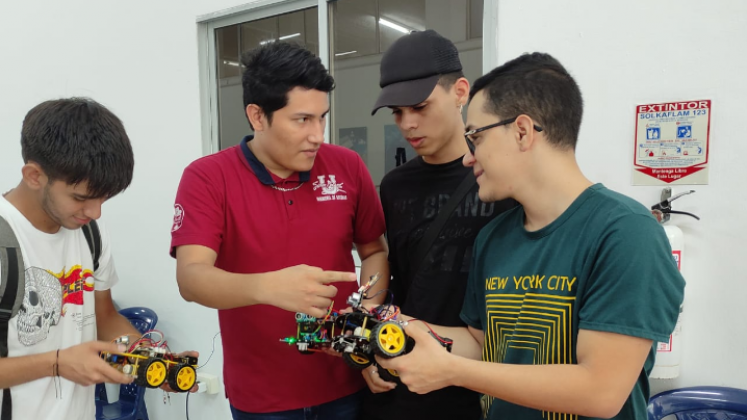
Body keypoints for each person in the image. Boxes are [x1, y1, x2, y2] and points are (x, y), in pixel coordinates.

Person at [377, 52, 686, 420]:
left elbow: (601, 391)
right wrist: (398, 325)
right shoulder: (494, 238)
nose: (467, 157)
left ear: (522, 131)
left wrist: (451, 371)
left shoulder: (625, 233)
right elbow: (481, 346)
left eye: (475, 136)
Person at [171, 41, 389, 420]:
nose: (318, 134)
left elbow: (374, 251)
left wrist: (366, 322)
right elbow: (191, 278)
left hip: (345, 383)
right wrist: (269, 287)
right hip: (262, 397)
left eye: (322, 117)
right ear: (257, 116)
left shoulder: (347, 167)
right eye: (302, 119)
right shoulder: (207, 178)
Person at [359, 30, 517, 420]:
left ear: (460, 91)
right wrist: (366, 347)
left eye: (420, 106)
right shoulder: (395, 186)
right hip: (402, 376)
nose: (408, 124)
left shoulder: (503, 181)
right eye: (397, 112)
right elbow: (392, 275)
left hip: (480, 381)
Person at [0, 97, 147, 419]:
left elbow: (105, 316)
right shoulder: (5, 242)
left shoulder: (90, 230)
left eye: (103, 199)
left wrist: (150, 356)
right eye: (81, 198)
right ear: (34, 175)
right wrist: (57, 363)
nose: (94, 212)